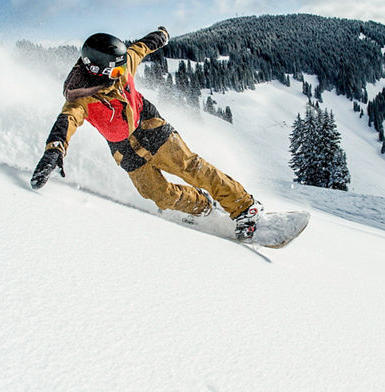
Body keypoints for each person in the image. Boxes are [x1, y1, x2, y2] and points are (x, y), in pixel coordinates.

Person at [30, 27, 262, 241]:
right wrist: (54, 152)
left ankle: (244, 207)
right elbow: (65, 123)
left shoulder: (122, 64)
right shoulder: (80, 100)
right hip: (123, 148)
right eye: (117, 70)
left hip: (150, 127)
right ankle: (202, 206)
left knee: (189, 167)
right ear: (98, 70)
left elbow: (138, 49)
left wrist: (159, 35)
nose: (123, 72)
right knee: (157, 194)